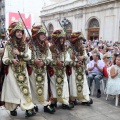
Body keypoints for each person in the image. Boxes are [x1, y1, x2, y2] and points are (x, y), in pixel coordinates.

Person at [1, 21, 35, 117]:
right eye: (17, 31)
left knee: (25, 90)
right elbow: (4, 59)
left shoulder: (26, 44)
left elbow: (29, 57)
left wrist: (19, 53)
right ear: (14, 33)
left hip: (23, 71)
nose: (19, 33)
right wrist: (12, 61)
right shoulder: (8, 45)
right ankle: (12, 108)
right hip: (12, 72)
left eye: (21, 31)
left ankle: (28, 108)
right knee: (13, 91)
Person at [28, 25, 55, 114]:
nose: (44, 36)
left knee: (44, 88)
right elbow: (26, 58)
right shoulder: (30, 45)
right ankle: (32, 105)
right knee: (33, 88)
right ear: (37, 35)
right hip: (33, 72)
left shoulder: (46, 45)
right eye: (41, 34)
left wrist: (43, 62)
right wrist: (34, 61)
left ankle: (45, 105)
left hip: (43, 71)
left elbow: (50, 57)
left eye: (44, 34)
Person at [49, 29, 74, 109]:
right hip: (54, 71)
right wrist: (56, 62)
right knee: (54, 86)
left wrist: (63, 62)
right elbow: (49, 60)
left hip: (62, 71)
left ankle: (65, 101)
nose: (62, 40)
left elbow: (68, 59)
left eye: (63, 38)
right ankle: (54, 101)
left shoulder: (65, 48)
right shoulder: (51, 48)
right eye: (60, 39)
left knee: (65, 85)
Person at [69, 32, 93, 105]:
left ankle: (84, 99)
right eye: (79, 40)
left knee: (83, 84)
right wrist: (74, 61)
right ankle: (73, 98)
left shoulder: (82, 47)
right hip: (73, 69)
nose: (80, 41)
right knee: (73, 83)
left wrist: (82, 57)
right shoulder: (70, 49)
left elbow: (86, 56)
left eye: (81, 40)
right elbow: (68, 60)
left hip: (81, 69)